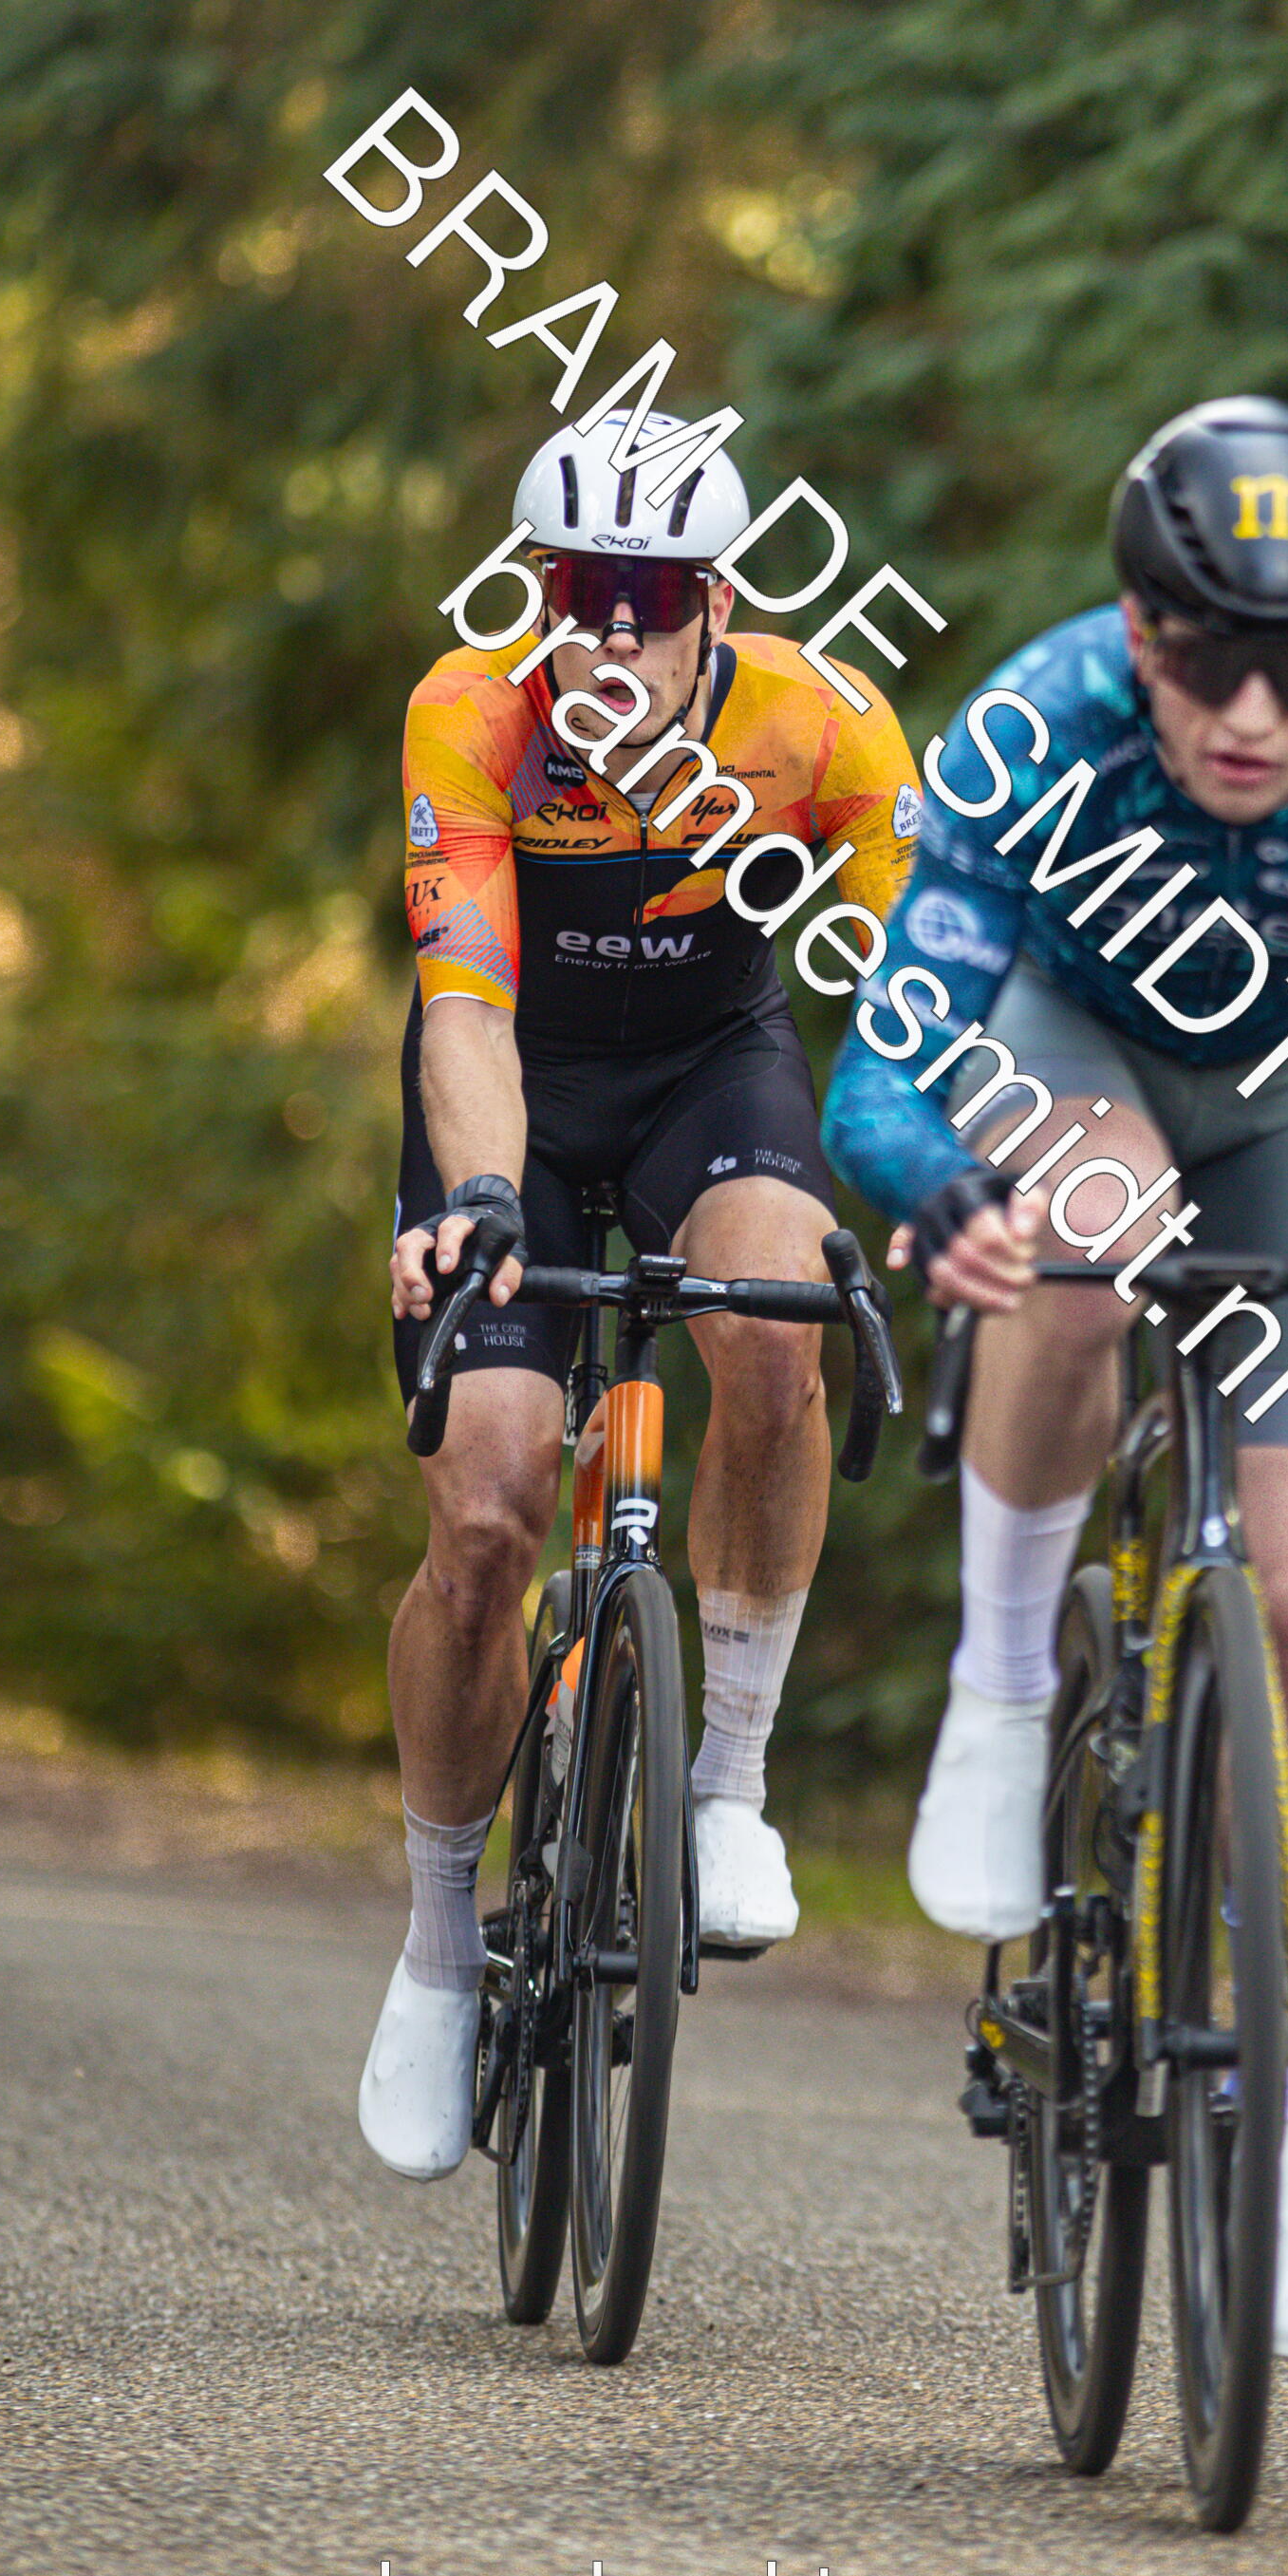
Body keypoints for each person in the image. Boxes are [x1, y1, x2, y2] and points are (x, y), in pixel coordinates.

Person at [822, 396, 1288, 2364]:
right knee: (1091, 1249)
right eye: (1209, 662)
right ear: (1136, 632)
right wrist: (936, 1189)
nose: (1252, 714)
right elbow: (881, 1071)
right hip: (1065, 1038)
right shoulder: (1034, 724)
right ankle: (1007, 1683)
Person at [361, 415, 922, 2178]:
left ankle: (730, 1776)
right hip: (512, 1098)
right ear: (538, 593)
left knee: (775, 1327)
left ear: (716, 606)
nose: (611, 633)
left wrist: (950, 1181)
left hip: (709, 1076)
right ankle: (439, 1942)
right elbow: (464, 1000)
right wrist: (476, 1199)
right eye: (580, 592)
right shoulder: (474, 712)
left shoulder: (822, 725)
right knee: (488, 1513)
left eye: (651, 598)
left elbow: (925, 992)